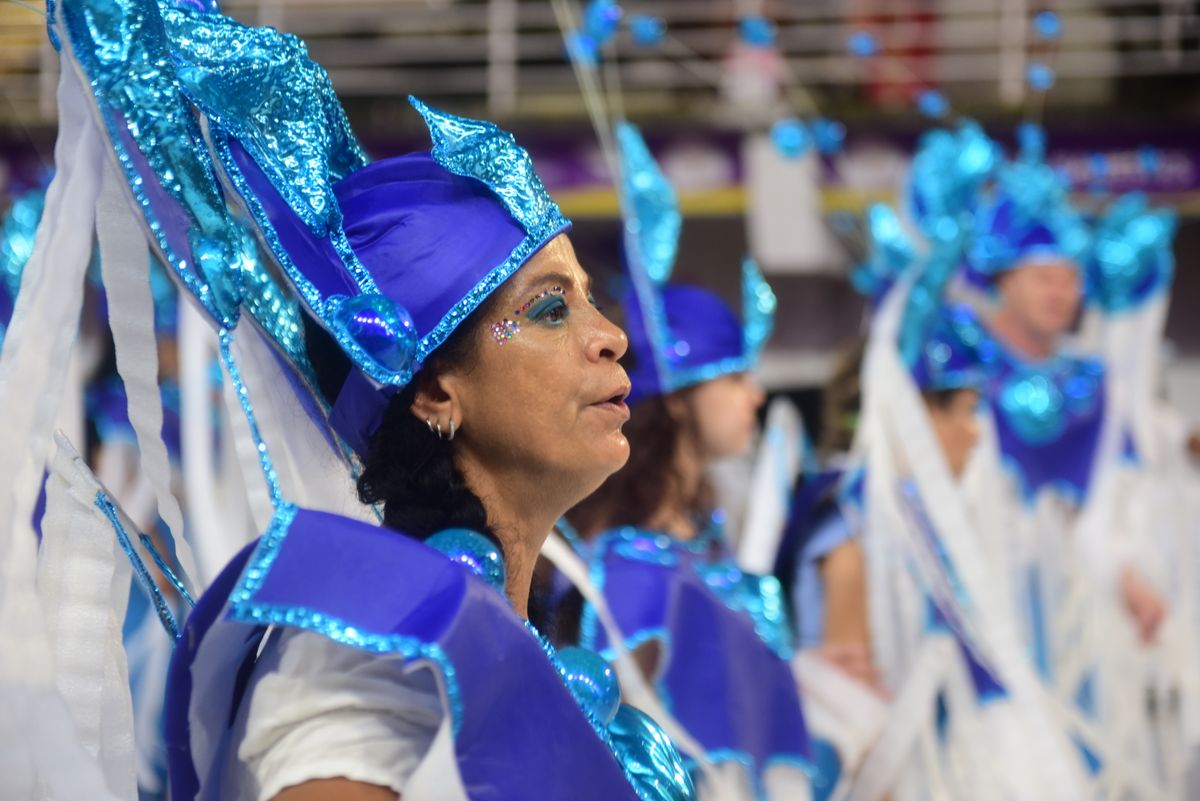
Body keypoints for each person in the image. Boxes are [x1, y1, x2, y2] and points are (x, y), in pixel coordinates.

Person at [42, 2, 697, 800]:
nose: (610, 337)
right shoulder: (371, 633)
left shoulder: (518, 652)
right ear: (432, 393)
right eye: (550, 309)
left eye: (592, 302)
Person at [562, 124, 812, 801]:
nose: (755, 394)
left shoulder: (700, 543)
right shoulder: (629, 569)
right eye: (733, 378)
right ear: (675, 399)